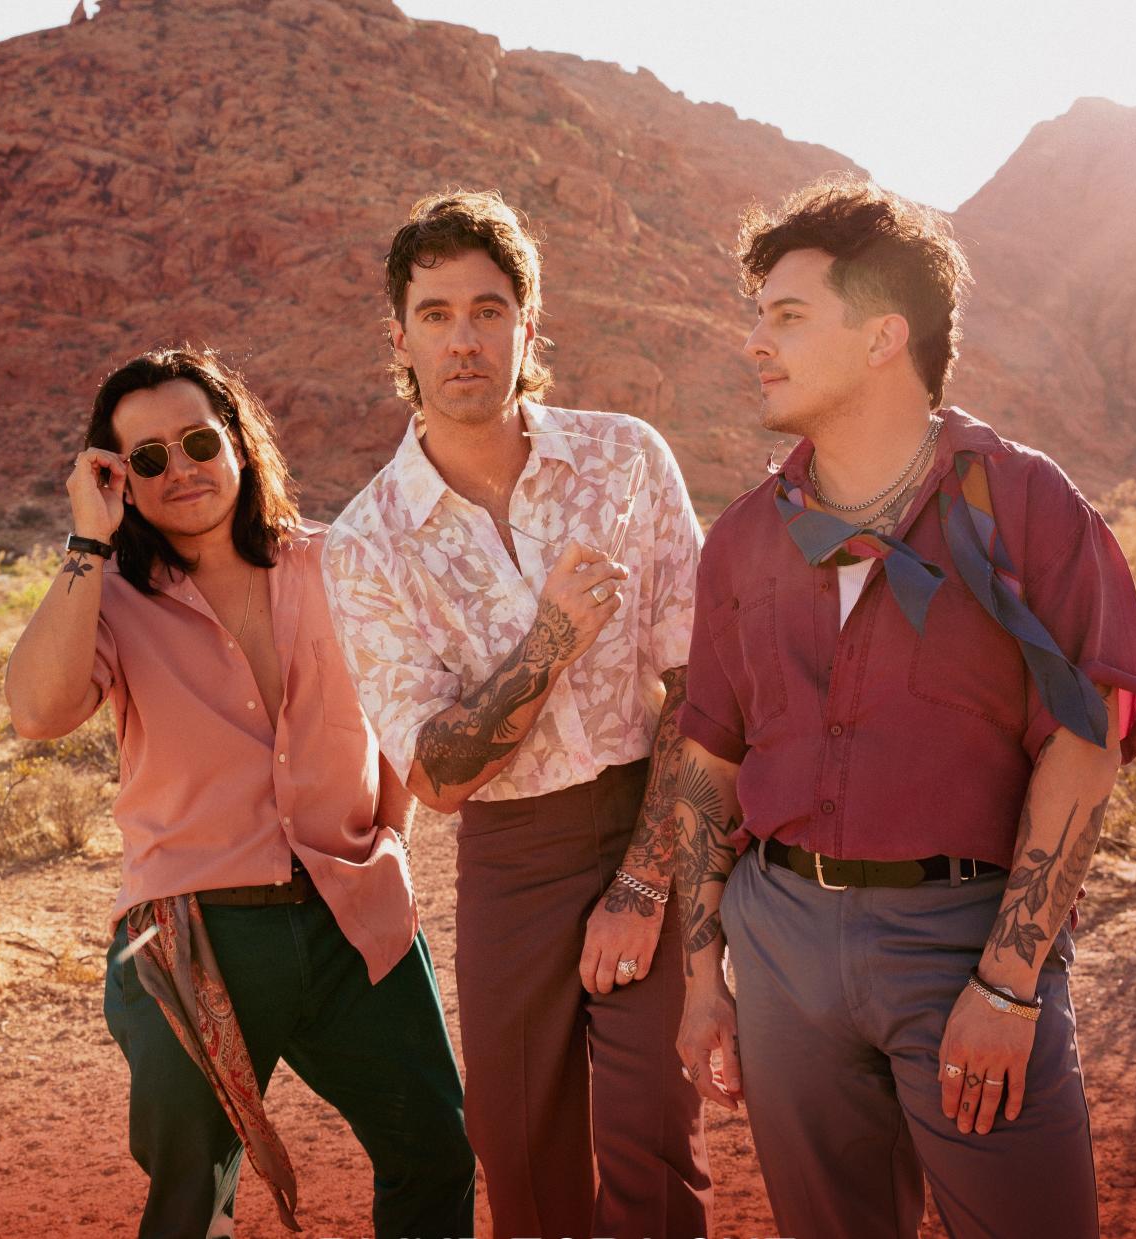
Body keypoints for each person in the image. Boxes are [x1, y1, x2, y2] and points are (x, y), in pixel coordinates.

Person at [673, 176, 1136, 1239]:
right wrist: (703, 974)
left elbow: (1088, 744)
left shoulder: (1027, 504)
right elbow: (708, 759)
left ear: (886, 334)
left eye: (788, 317)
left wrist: (1011, 983)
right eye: (759, 318)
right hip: (783, 942)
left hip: (968, 941)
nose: (757, 342)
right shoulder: (748, 536)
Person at [4, 346, 475, 1239]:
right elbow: (36, 709)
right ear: (121, 482)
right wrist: (86, 538)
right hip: (191, 935)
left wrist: (393, 835)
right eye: (146, 459)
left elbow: (404, 704)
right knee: (192, 1198)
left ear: (241, 445)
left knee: (438, 1153)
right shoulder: (108, 598)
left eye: (197, 441)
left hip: (353, 917)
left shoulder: (339, 562)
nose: (179, 469)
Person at [324, 190, 712, 1239]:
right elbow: (442, 777)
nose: (465, 338)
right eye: (438, 312)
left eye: (490, 310)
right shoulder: (367, 542)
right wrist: (549, 642)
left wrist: (643, 880)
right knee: (521, 1157)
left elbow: (701, 686)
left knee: (654, 1145)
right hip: (511, 861)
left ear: (529, 325)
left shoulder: (624, 460)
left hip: (651, 824)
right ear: (397, 335)